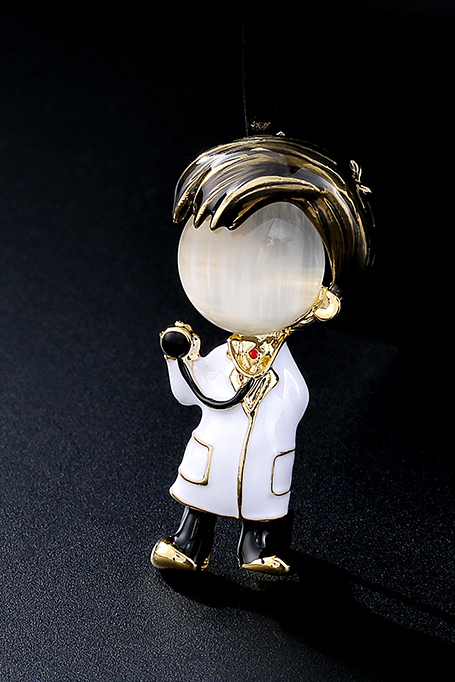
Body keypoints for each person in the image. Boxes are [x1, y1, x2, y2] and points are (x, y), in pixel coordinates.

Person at [151, 135, 373, 575]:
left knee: (262, 504)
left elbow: (296, 401)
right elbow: (190, 393)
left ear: (323, 298)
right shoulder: (224, 353)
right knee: (202, 498)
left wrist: (267, 403)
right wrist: (181, 360)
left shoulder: (281, 364)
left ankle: (260, 549)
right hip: (217, 448)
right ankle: (190, 545)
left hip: (261, 451)